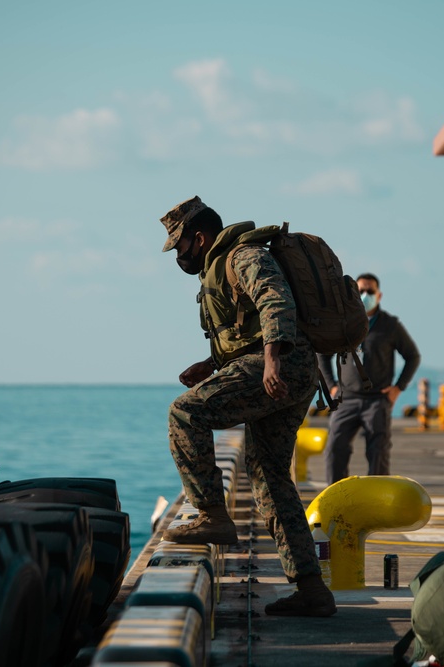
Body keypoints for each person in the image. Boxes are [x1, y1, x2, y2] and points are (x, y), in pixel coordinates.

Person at [159, 195, 336, 617]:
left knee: (185, 413)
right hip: (285, 367)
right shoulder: (221, 265)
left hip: (281, 365)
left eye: (180, 247)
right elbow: (245, 331)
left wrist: (272, 360)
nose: (179, 258)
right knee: (270, 477)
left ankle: (211, 514)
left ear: (198, 238)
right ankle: (312, 589)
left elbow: (276, 301)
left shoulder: (242, 255)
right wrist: (211, 365)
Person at [317, 273, 420, 485]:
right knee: (335, 447)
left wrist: (398, 388)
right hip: (346, 399)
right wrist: (332, 387)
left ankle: (376, 501)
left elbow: (412, 356)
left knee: (378, 452)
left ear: (379, 295)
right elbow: (322, 355)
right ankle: (336, 497)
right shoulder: (342, 324)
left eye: (370, 291)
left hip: (377, 400)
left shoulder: (390, 325)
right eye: (360, 291)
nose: (365, 295)